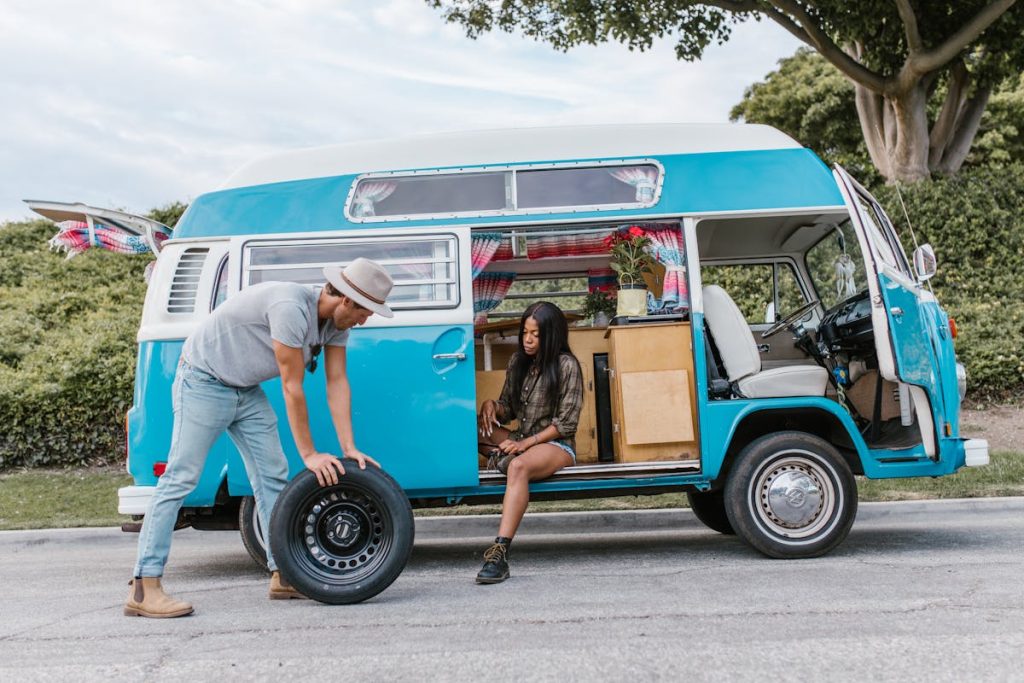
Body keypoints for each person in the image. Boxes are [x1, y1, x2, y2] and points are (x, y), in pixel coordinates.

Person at [124, 257, 394, 618]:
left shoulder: (335, 325)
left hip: (244, 389)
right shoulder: (289, 307)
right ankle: (145, 585)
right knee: (180, 478)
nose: (366, 320)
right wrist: (310, 454)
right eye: (366, 312)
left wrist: (348, 447)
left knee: (272, 477)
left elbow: (337, 383)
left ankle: (284, 573)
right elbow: (291, 386)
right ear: (346, 300)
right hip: (203, 381)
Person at [475, 301, 583, 584]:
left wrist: (525, 445)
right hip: (520, 439)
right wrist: (491, 407)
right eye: (525, 332)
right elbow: (508, 409)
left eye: (535, 334)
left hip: (556, 446)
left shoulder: (567, 365)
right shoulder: (517, 361)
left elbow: (566, 424)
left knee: (519, 466)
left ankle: (499, 553)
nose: (528, 339)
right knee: (468, 429)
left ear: (552, 335)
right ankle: (503, 455)